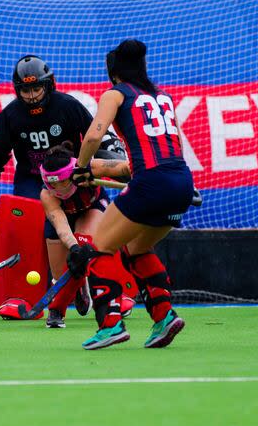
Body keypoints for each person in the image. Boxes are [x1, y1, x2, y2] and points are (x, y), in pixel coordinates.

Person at [0, 55, 131, 316]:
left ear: (49, 85)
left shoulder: (68, 106)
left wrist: (115, 157)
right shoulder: (9, 116)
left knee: (96, 233)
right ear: (17, 90)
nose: (32, 95)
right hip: (33, 180)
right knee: (25, 224)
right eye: (25, 90)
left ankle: (113, 293)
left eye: (36, 88)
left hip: (71, 176)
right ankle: (22, 296)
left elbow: (96, 134)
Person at [68, 39, 195, 350]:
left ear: (114, 73)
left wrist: (82, 168)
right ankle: (164, 317)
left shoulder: (115, 93)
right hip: (181, 182)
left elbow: (94, 135)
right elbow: (172, 146)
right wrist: (105, 170)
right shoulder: (163, 97)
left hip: (150, 183)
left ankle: (110, 324)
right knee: (136, 249)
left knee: (100, 248)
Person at [39, 141, 132, 328]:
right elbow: (61, 225)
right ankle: (80, 285)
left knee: (84, 249)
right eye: (51, 183)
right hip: (64, 219)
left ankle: (56, 310)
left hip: (91, 208)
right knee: (61, 274)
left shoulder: (90, 167)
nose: (56, 188)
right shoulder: (47, 196)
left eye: (61, 182)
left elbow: (126, 169)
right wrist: (72, 247)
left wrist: (154, 178)